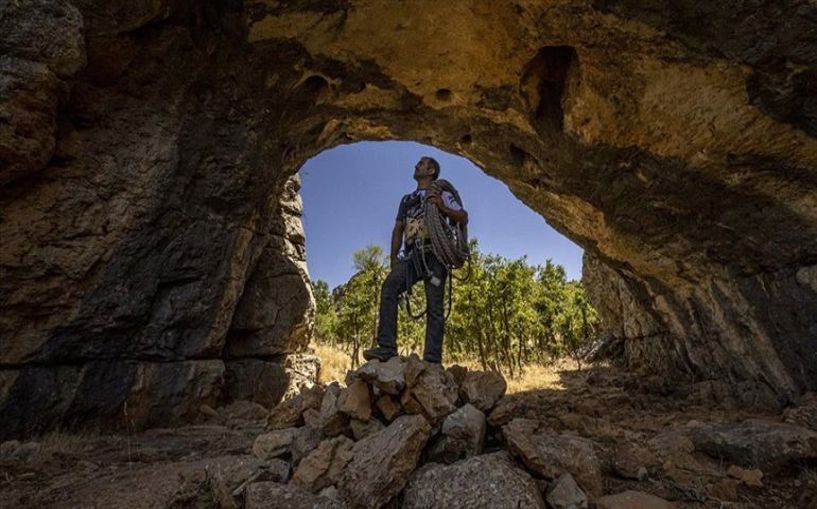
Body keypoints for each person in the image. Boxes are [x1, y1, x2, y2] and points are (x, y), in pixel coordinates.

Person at [362, 156, 468, 364]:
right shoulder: (406, 199)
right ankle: (386, 348)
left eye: (421, 164)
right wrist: (394, 259)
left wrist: (441, 207)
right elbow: (399, 228)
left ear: (431, 171)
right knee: (390, 288)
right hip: (412, 256)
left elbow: (463, 217)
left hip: (436, 254)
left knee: (435, 305)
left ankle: (432, 360)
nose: (416, 165)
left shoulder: (442, 193)